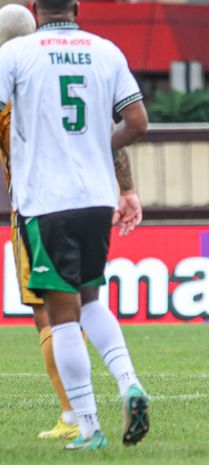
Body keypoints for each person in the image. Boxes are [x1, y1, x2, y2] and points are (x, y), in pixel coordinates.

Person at [0, 0, 150, 450]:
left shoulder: (16, 55)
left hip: (45, 201)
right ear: (77, 6)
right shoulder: (106, 50)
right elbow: (137, 121)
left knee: (60, 317)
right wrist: (97, 151)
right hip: (96, 199)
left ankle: (86, 426)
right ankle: (129, 383)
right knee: (90, 299)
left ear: (34, 8)